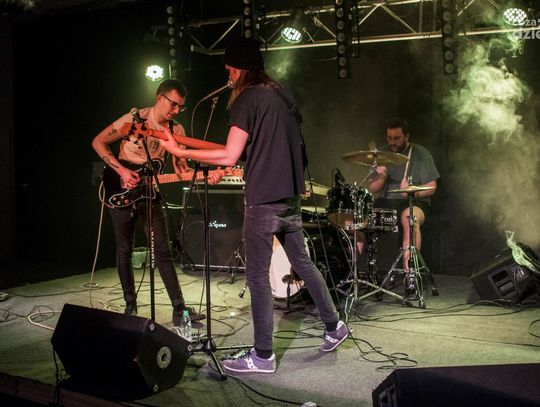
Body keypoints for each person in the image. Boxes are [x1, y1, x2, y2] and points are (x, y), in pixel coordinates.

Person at [159, 38, 349, 374]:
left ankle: (262, 356)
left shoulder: (247, 98)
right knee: (304, 264)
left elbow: (230, 155)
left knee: (257, 278)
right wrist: (186, 144)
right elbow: (251, 147)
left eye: (230, 70)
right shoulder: (282, 94)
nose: (229, 76)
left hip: (263, 200)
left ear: (238, 69)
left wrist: (180, 151)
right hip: (289, 197)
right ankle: (335, 326)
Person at [92, 79, 218, 325]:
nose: (177, 110)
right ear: (160, 98)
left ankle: (179, 310)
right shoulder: (135, 119)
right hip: (121, 188)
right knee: (124, 250)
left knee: (163, 251)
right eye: (173, 104)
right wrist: (122, 171)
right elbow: (98, 142)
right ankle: (130, 305)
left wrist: (206, 174)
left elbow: (181, 167)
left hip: (151, 191)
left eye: (181, 106)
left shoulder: (176, 130)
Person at [367, 117, 440, 283]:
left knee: (410, 219)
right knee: (359, 220)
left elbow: (432, 187)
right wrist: (382, 177)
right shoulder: (382, 153)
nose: (392, 142)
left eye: (397, 138)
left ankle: (410, 275)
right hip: (387, 202)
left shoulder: (420, 153)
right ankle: (359, 274)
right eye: (389, 138)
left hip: (415, 202)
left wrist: (411, 191)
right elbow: (372, 189)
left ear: (407, 136)